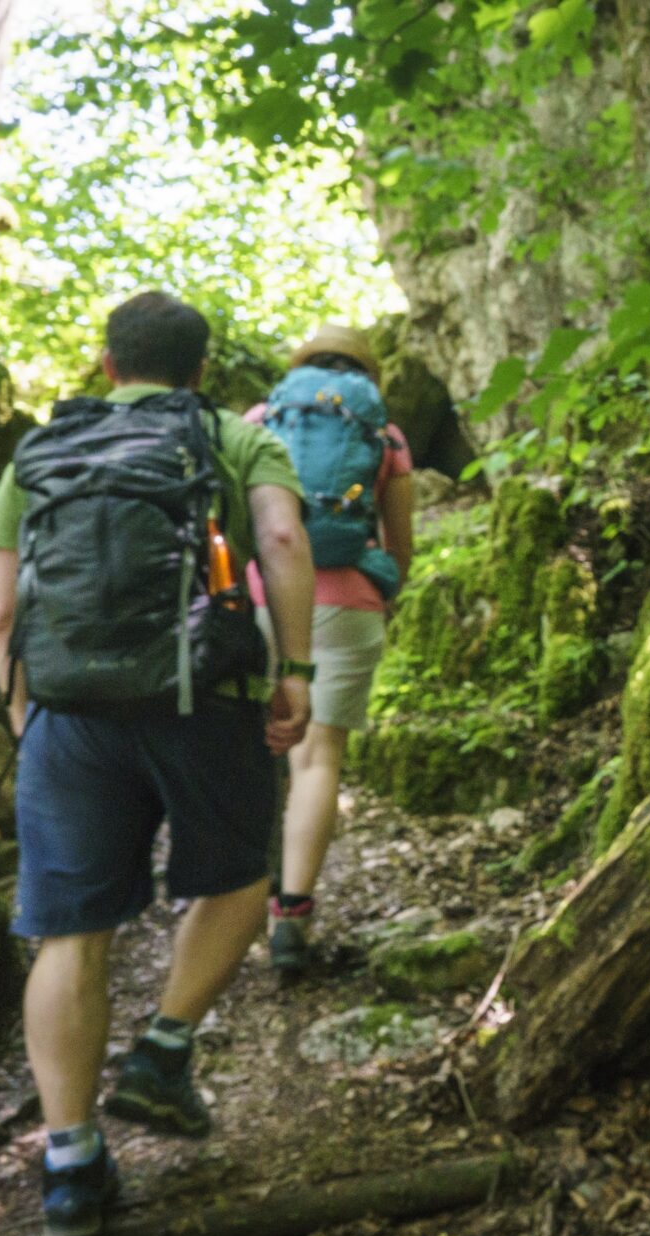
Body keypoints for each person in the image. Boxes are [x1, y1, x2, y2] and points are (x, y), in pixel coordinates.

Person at [0, 291, 318, 1236]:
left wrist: (26, 713)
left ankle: (70, 1166)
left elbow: (2, 610)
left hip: (69, 714)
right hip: (204, 698)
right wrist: (294, 671)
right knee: (241, 877)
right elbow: (282, 539)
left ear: (106, 364)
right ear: (202, 371)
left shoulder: (43, 449)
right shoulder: (233, 436)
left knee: (70, 936)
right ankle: (165, 1050)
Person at [243, 324, 415, 974]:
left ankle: (236, 899)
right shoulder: (385, 434)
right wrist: (384, 592)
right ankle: (291, 918)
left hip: (263, 598)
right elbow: (400, 542)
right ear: (368, 373)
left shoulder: (262, 419)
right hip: (348, 603)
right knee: (317, 760)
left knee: (253, 750)